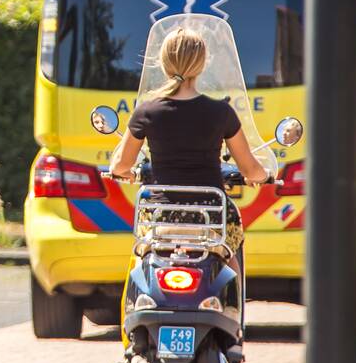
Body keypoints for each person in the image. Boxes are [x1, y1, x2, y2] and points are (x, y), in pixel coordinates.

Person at [109, 27, 269, 256]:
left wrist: (129, 173)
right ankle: (234, 293)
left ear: (164, 63)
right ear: (201, 65)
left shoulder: (146, 111)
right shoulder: (221, 113)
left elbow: (120, 166)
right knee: (230, 259)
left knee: (141, 260)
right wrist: (260, 177)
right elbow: (250, 168)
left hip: (160, 216)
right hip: (210, 218)